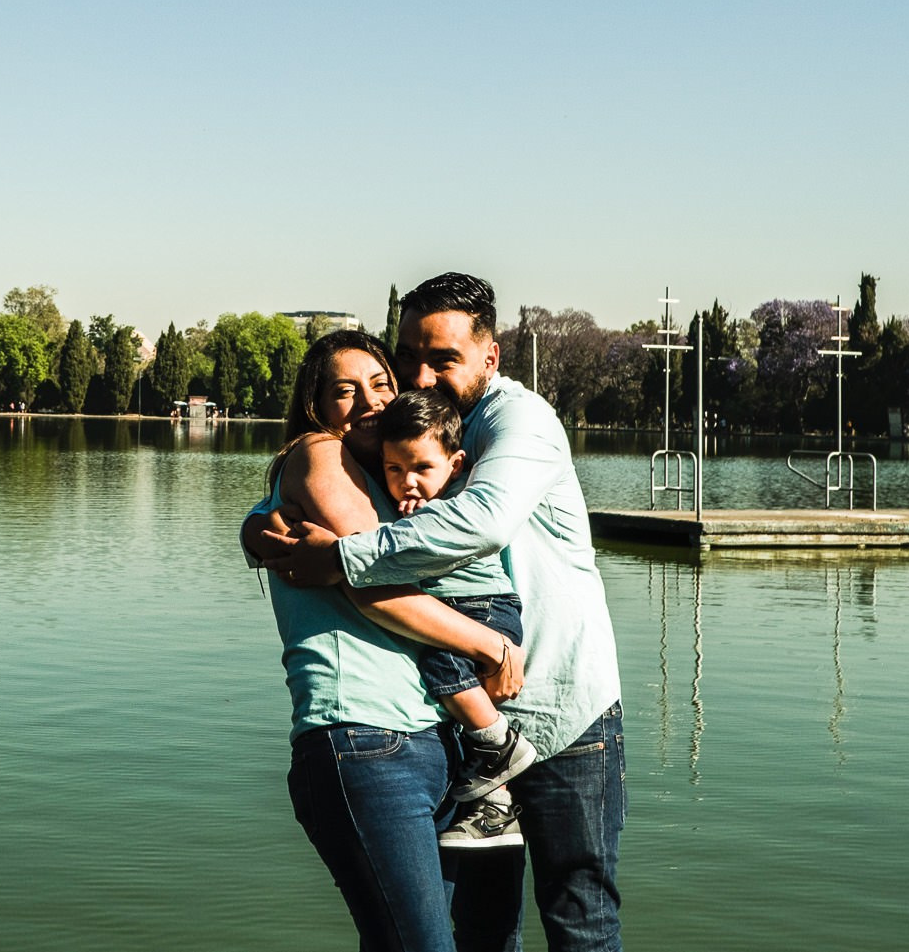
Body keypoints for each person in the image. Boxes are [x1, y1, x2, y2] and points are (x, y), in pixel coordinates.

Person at [262, 274, 626, 952]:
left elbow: (481, 522)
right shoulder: (399, 433)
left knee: (581, 919)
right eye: (410, 356)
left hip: (561, 712)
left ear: (491, 355)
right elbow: (308, 487)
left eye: (444, 358)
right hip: (467, 729)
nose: (420, 374)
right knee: (483, 930)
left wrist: (343, 557)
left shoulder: (520, 422)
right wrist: (263, 528)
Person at [240, 329, 526, 951]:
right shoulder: (319, 453)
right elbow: (373, 580)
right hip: (363, 737)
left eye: (380, 384)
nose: (368, 401)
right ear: (316, 405)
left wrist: (254, 529)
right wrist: (491, 645)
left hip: (430, 742)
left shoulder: (393, 480)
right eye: (345, 391)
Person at [374, 387, 535, 846]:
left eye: (422, 469)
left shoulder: (450, 511)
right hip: (469, 613)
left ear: (455, 465)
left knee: (439, 662)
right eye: (394, 469)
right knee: (455, 711)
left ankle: (503, 746)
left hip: (484, 610)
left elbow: (406, 556)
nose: (408, 482)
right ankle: (495, 806)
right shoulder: (421, 505)